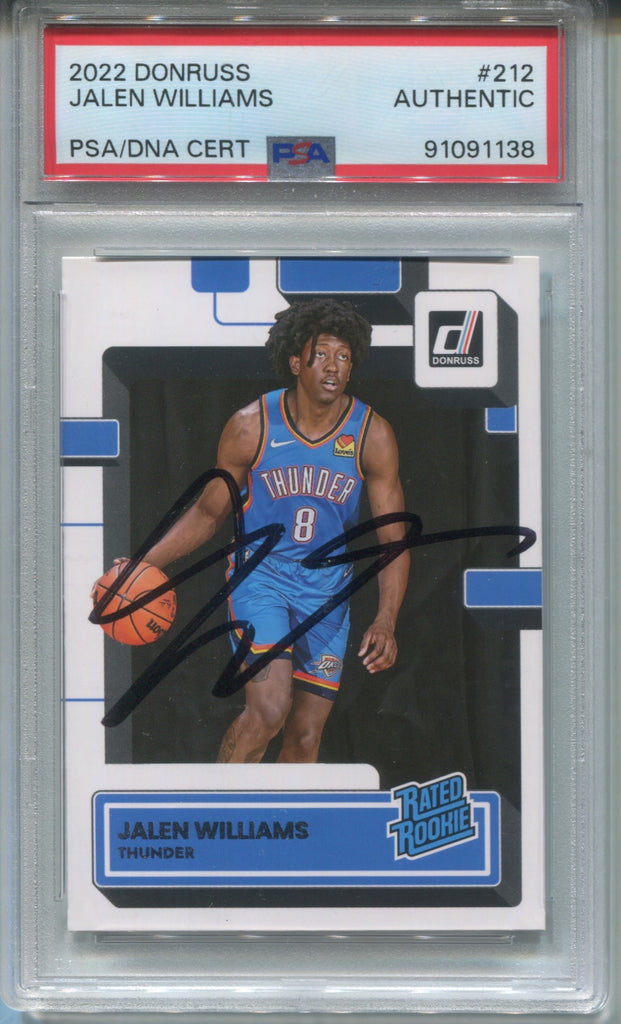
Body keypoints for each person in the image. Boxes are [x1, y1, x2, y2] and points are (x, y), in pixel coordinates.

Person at [121, 299, 410, 763]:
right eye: (321, 354)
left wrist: (386, 620)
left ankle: (277, 813)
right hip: (262, 578)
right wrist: (143, 565)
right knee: (269, 710)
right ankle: (222, 803)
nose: (333, 366)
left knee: (305, 736)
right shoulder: (251, 425)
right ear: (296, 363)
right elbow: (209, 513)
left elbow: (392, 540)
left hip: (327, 590)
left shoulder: (371, 435)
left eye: (343, 356)